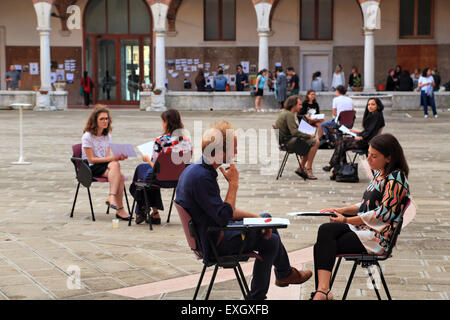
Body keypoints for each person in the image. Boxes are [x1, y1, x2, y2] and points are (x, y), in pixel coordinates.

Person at [175, 120, 312, 300]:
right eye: (234, 149)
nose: (237, 153)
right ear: (221, 151)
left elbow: (222, 211)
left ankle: (284, 273)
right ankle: (258, 297)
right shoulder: (202, 178)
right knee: (270, 242)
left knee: (266, 219)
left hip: (210, 233)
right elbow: (224, 217)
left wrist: (257, 218)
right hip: (215, 242)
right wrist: (233, 184)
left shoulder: (198, 170)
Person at [311, 133, 410, 300]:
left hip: (378, 237)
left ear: (388, 158)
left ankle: (323, 292)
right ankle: (323, 291)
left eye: (374, 156)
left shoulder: (396, 178)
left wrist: (346, 220)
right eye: (368, 155)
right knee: (326, 232)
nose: (368, 160)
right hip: (365, 230)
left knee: (324, 243)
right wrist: (340, 210)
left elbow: (381, 214)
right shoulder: (381, 173)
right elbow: (365, 205)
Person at [135, 108, 192, 225]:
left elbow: (155, 165)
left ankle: (143, 209)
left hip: (160, 178)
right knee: (144, 171)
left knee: (143, 173)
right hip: (179, 178)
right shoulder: (186, 141)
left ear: (166, 122)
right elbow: (186, 161)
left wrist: (147, 158)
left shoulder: (160, 141)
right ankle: (151, 213)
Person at [81, 105, 131, 220]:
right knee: (120, 175)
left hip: (103, 164)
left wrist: (117, 158)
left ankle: (113, 200)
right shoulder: (87, 136)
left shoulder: (107, 135)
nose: (105, 121)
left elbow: (107, 157)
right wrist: (114, 159)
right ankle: (119, 207)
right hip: (89, 167)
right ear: (95, 121)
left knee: (116, 166)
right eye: (102, 119)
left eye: (107, 119)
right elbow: (91, 160)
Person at [322, 98, 385, 178]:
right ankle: (337, 170)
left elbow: (370, 133)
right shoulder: (373, 115)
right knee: (341, 143)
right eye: (368, 104)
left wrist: (360, 137)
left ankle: (333, 166)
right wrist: (355, 132)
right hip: (365, 139)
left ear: (378, 106)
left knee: (341, 142)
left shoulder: (376, 116)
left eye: (373, 104)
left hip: (367, 142)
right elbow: (368, 131)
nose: (370, 106)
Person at [276, 95, 320, 180]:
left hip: (286, 140)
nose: (301, 106)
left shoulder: (286, 113)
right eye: (299, 104)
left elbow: (294, 130)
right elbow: (294, 132)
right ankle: (307, 168)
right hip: (288, 142)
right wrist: (308, 135)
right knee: (315, 142)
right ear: (293, 105)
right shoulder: (289, 115)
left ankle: (302, 167)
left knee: (311, 142)